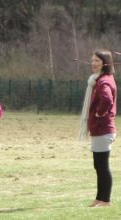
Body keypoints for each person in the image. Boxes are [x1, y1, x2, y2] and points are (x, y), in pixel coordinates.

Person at [78, 49, 117, 207]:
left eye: (97, 61)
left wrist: (100, 113)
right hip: (101, 130)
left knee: (102, 165)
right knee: (99, 165)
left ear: (105, 63)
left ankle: (105, 200)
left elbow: (106, 99)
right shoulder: (101, 79)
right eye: (92, 60)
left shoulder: (103, 81)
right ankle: (99, 199)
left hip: (103, 129)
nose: (93, 63)